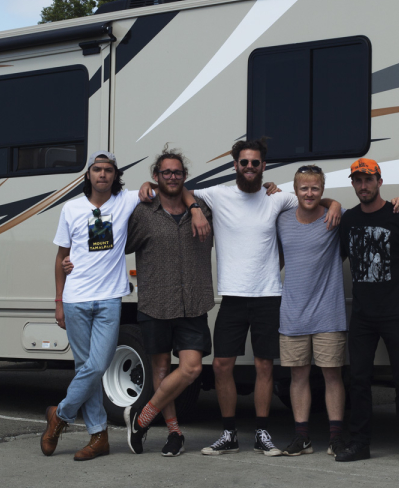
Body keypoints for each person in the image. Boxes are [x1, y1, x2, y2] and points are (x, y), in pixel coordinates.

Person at [186, 138, 341, 456]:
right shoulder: (218, 194)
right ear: (235, 165)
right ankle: (229, 434)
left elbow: (310, 198)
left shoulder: (278, 198)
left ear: (263, 166)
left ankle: (261, 433)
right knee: (220, 365)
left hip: (269, 295)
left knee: (265, 367)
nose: (250, 167)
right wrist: (196, 212)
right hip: (232, 295)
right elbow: (180, 189)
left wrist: (334, 203)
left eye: (255, 162)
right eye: (244, 162)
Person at [42, 151, 160, 461]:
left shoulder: (124, 201)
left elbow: (156, 188)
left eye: (108, 170)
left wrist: (148, 182)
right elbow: (60, 258)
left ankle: (60, 415)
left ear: (115, 175)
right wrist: (58, 302)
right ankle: (99, 437)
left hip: (109, 299)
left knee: (97, 365)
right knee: (86, 368)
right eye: (97, 169)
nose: (103, 175)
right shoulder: (71, 209)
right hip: (75, 299)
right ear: (89, 175)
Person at [120, 147, 216, 457]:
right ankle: (174, 433)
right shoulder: (142, 213)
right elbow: (119, 245)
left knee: (191, 368)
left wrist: (195, 206)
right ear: (156, 177)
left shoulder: (203, 210)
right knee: (161, 372)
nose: (172, 177)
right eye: (166, 173)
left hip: (193, 301)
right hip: (155, 303)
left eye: (177, 172)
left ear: (184, 177)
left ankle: (142, 417)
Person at [335, 158, 399, 466]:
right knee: (359, 380)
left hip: (397, 314)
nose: (363, 185)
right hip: (363, 314)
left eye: (368, 179)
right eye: (358, 180)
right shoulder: (349, 220)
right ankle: (360, 443)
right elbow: (340, 257)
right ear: (353, 184)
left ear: (379, 181)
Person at [276, 165, 349, 457]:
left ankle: (336, 438)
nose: (309, 193)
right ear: (295, 191)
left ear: (322, 190)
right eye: (304, 188)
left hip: (328, 313)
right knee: (298, 377)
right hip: (292, 313)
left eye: (315, 188)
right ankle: (302, 437)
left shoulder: (334, 219)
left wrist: (335, 204)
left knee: (333, 376)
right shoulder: (282, 220)